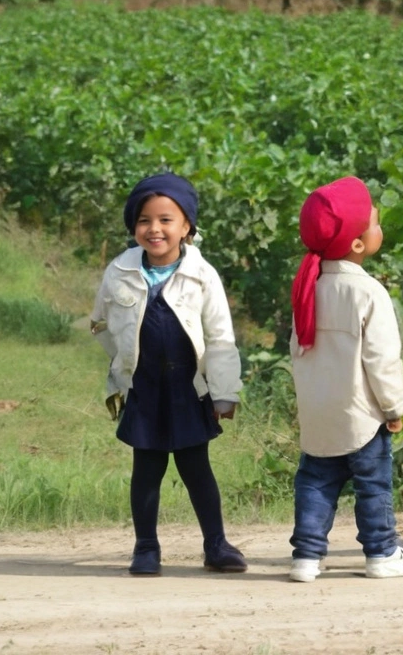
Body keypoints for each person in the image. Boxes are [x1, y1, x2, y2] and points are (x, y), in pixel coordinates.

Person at [89, 172, 247, 576]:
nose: (154, 229)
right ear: (133, 227)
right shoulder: (120, 271)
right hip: (144, 388)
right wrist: (124, 365)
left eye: (165, 220)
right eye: (144, 220)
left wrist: (224, 392)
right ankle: (146, 548)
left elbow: (220, 338)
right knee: (147, 468)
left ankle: (216, 545)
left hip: (187, 388)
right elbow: (102, 324)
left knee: (197, 468)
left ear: (187, 227)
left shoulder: (201, 275)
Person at [287, 176, 403, 583]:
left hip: (319, 416)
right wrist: (395, 407)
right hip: (363, 416)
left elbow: (298, 354)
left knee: (315, 482)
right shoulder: (368, 292)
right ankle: (381, 552)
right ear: (359, 244)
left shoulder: (306, 289)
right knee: (373, 484)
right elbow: (382, 360)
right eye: (376, 223)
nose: (380, 228)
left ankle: (306, 558)